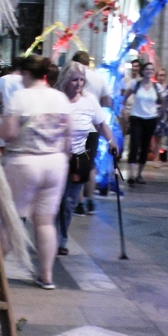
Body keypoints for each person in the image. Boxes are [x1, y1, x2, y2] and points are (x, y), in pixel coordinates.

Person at [0, 55, 72, 290]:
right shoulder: (60, 97)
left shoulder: (21, 97)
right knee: (45, 221)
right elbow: (70, 136)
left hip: (25, 162)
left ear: (26, 74)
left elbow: (8, 132)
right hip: (56, 163)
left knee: (10, 219)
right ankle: (47, 276)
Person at [56, 63, 119, 256]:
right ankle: (51, 235)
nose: (79, 83)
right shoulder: (56, 99)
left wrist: (111, 141)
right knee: (55, 200)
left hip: (80, 157)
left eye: (82, 80)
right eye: (75, 79)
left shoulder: (90, 100)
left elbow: (100, 123)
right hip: (57, 156)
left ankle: (61, 239)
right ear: (66, 80)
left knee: (69, 201)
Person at [69, 51, 112, 215]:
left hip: (78, 124)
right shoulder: (99, 78)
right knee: (90, 164)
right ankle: (90, 200)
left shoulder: (73, 75)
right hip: (94, 127)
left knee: (76, 164)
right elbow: (107, 101)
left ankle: (78, 203)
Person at [122, 62, 162, 185]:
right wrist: (123, 110)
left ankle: (139, 174)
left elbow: (162, 101)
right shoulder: (136, 83)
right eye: (147, 69)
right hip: (136, 117)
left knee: (145, 147)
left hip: (150, 119)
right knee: (134, 145)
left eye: (151, 69)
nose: (149, 71)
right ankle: (131, 175)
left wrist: (160, 112)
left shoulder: (156, 87)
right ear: (143, 71)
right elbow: (124, 97)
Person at [151, 66, 168, 163]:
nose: (161, 77)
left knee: (160, 137)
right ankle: (153, 156)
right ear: (156, 76)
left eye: (163, 75)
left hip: (164, 115)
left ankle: (158, 156)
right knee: (153, 136)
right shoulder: (153, 87)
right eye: (159, 75)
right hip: (153, 113)